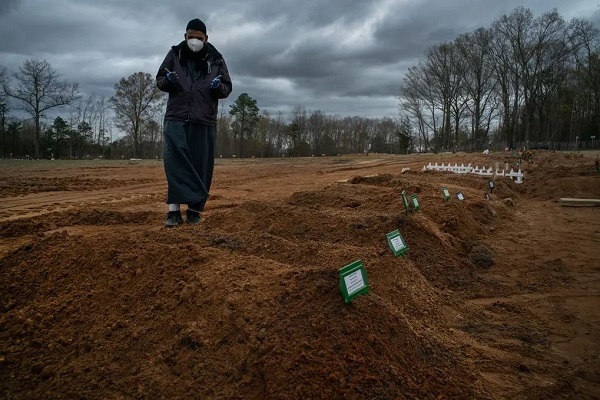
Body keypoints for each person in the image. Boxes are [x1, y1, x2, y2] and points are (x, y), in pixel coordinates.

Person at [156, 18, 232, 226]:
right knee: (175, 162)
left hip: (204, 119)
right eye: (191, 37)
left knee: (201, 165)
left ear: (206, 38)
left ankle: (194, 211)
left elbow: (227, 87)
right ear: (185, 36)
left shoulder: (216, 59)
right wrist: (168, 81)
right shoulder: (174, 55)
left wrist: (217, 87)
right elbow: (160, 80)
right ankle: (173, 211)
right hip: (176, 117)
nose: (195, 41)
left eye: (199, 38)